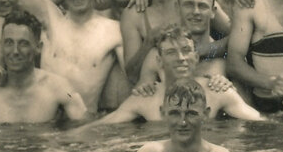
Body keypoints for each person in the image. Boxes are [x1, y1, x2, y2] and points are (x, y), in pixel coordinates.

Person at [0, 12, 89, 128]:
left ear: (38, 47)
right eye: (9, 43)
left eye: (23, 43)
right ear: (1, 45)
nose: (15, 51)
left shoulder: (59, 88)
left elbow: (85, 128)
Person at [98, 26, 263, 125]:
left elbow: (261, 122)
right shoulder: (146, 97)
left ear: (196, 57)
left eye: (186, 51)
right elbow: (105, 125)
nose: (181, 58)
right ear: (160, 61)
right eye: (171, 52)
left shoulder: (216, 91)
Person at [127, 81, 249, 152]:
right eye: (174, 113)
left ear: (205, 114)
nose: (183, 122)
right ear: (163, 113)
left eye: (191, 113)